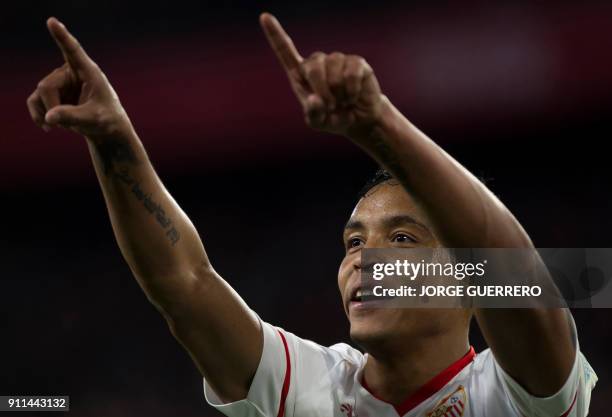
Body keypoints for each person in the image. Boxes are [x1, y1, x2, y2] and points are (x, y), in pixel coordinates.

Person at [27, 13, 597, 417]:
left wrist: (379, 125)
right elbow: (185, 282)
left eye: (401, 240)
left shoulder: (514, 394)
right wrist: (113, 138)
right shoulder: (311, 390)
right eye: (352, 244)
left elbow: (512, 269)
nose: (364, 261)